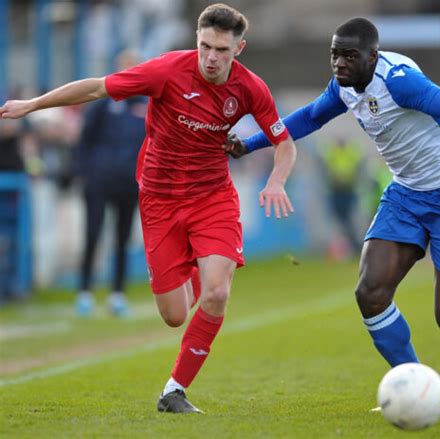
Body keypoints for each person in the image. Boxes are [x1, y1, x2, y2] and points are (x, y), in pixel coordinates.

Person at [0, 3, 296, 413]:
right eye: (205, 46)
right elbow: (95, 88)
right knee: (175, 315)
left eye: (221, 51)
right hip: (159, 199)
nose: (211, 58)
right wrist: (32, 105)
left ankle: (174, 390)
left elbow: (283, 140)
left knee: (217, 293)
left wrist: (277, 179)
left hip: (212, 196)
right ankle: (195, 261)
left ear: (239, 48)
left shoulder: (250, 88)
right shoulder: (167, 70)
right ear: (196, 40)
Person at [224, 17, 440, 370]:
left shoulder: (400, 82)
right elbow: (309, 117)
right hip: (405, 194)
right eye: (334, 55)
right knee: (370, 292)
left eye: (349, 56)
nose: (340, 63)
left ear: (372, 56)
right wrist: (249, 145)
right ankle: (411, 380)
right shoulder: (343, 86)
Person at [74, 50, 147, 317]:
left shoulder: (146, 106)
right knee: (92, 235)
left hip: (130, 183)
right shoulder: (102, 105)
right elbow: (83, 141)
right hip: (98, 181)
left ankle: (118, 293)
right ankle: (85, 291)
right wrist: (85, 172)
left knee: (123, 238)